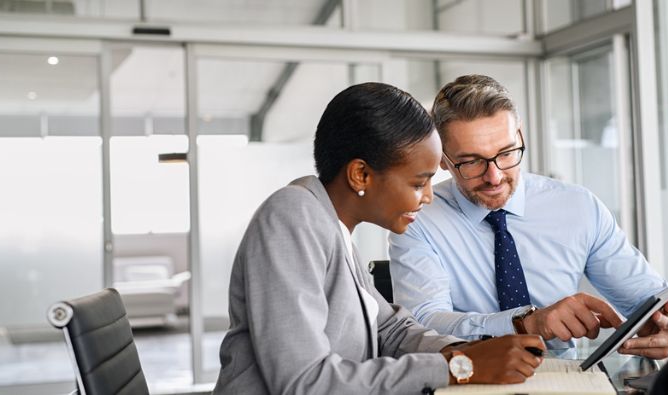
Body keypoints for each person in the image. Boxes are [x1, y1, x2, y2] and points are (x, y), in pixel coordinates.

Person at [214, 82, 545, 394]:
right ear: (361, 174)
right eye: (418, 183)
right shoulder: (293, 216)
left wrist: (470, 351)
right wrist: (458, 366)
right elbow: (305, 383)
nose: (428, 196)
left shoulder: (334, 227)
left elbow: (390, 329)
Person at [389, 74, 668, 359]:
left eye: (507, 153)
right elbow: (422, 326)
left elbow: (652, 295)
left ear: (519, 135)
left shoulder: (577, 207)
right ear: (442, 159)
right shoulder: (418, 219)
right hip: (470, 382)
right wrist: (525, 324)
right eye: (471, 162)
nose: (494, 177)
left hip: (570, 382)